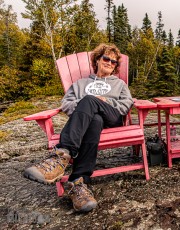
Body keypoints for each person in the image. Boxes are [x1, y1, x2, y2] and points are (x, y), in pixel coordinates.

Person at [23, 43, 134, 212]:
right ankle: (78, 183)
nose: (110, 63)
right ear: (97, 60)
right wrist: (86, 108)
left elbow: (126, 104)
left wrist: (102, 101)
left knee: (90, 100)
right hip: (88, 122)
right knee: (94, 119)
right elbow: (66, 104)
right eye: (106, 58)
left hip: (112, 117)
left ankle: (62, 155)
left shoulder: (119, 84)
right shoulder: (80, 83)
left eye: (114, 62)